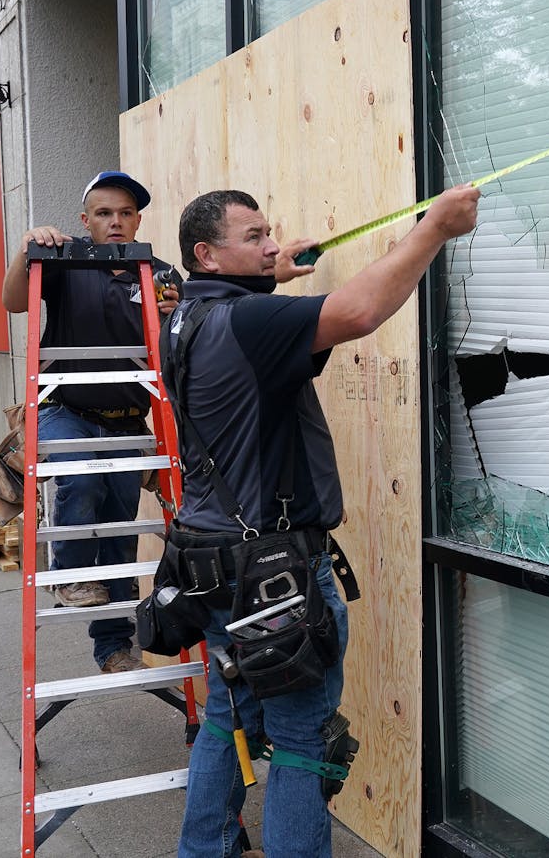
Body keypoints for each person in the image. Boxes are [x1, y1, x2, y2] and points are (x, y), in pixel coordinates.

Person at [167, 185, 479, 858]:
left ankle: (203, 851)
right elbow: (361, 310)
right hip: (274, 575)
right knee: (304, 743)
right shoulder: (251, 326)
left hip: (211, 561)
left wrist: (266, 273)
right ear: (206, 253)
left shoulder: (187, 317)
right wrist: (434, 229)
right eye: (253, 236)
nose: (273, 243)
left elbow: (251, 325)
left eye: (269, 232)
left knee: (228, 717)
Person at [1, 171, 182, 674]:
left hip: (127, 421)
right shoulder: (63, 260)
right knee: (78, 475)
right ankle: (69, 574)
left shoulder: (160, 273)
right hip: (67, 411)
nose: (116, 222)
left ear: (139, 219)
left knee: (121, 536)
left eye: (126, 213)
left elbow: (178, 349)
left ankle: (115, 648)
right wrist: (28, 249)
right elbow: (13, 301)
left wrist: (175, 315)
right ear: (86, 221)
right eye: (104, 213)